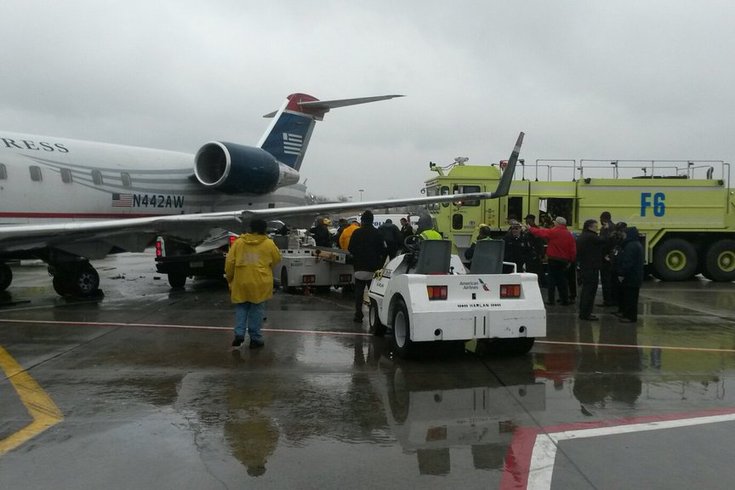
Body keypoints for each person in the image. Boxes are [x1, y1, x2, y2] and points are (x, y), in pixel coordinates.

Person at [225, 219, 282, 349]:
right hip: (260, 281)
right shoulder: (268, 243)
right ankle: (255, 337)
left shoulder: (239, 242)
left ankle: (239, 333)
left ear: (250, 228)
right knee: (257, 309)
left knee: (241, 307)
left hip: (241, 279)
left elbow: (230, 262)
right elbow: (277, 259)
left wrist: (230, 278)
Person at [527, 216, 576, 306]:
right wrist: (571, 261)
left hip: (553, 259)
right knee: (562, 280)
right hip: (564, 261)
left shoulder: (554, 232)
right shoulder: (569, 234)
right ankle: (564, 299)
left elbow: (541, 232)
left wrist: (530, 229)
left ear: (557, 223)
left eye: (555, 222)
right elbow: (573, 249)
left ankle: (551, 299)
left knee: (552, 280)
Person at [348, 210, 387, 323]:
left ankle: (358, 315)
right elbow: (383, 250)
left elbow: (351, 249)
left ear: (363, 221)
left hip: (359, 267)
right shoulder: (378, 233)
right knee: (373, 294)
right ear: (372, 221)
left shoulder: (356, 233)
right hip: (373, 268)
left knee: (359, 293)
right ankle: (374, 317)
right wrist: (380, 264)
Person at [576, 219, 605, 321]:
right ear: (590, 227)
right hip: (591, 267)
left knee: (585, 290)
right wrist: (606, 230)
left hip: (585, 266)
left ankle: (583, 312)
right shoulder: (591, 237)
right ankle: (586, 313)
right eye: (595, 226)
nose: (597, 228)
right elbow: (604, 240)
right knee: (590, 291)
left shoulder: (583, 236)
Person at [616, 226, 644, 323]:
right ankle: (629, 315)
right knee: (631, 297)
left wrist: (621, 273)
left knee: (630, 298)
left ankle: (629, 316)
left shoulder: (630, 246)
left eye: (624, 234)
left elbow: (628, 262)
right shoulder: (636, 244)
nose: (623, 236)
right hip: (635, 276)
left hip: (631, 277)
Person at [598, 211, 617, 307]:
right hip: (612, 257)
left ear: (603, 218)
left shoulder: (605, 228)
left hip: (605, 258)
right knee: (611, 279)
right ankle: (613, 299)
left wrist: (604, 255)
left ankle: (607, 301)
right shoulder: (614, 227)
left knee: (606, 280)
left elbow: (604, 242)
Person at [524, 214, 545, 285]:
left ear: (531, 220)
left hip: (535, 254)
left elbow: (539, 243)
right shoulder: (530, 229)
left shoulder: (535, 230)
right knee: (530, 270)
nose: (526, 221)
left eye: (527, 219)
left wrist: (541, 255)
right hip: (530, 254)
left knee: (535, 271)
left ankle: (535, 284)